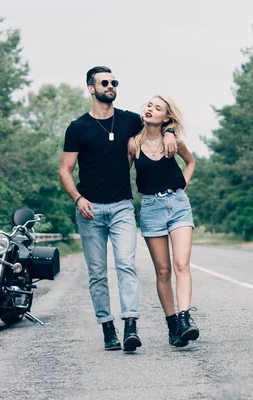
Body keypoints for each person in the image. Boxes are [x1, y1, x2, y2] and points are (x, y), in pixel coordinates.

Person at [59, 66, 177, 352]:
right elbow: (65, 170)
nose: (111, 86)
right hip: (90, 211)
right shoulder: (78, 128)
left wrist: (171, 131)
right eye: (105, 82)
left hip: (123, 207)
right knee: (98, 273)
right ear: (91, 88)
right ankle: (107, 327)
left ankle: (131, 326)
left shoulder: (128, 121)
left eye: (114, 82)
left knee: (126, 265)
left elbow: (156, 123)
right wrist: (77, 198)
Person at [127, 95, 199, 347]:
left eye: (157, 108)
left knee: (182, 264)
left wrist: (183, 185)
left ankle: (185, 319)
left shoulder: (174, 142)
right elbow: (122, 175)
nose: (150, 109)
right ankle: (172, 326)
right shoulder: (133, 144)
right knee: (163, 270)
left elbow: (190, 162)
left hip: (178, 206)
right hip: (150, 208)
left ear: (166, 118)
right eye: (149, 105)